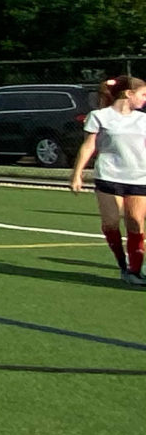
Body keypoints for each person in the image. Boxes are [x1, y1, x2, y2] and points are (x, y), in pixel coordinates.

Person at [72, 74, 146, 284]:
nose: (144, 100)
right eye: (143, 95)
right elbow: (89, 146)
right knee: (111, 222)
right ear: (128, 94)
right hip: (109, 176)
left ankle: (134, 271)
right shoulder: (99, 116)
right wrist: (77, 174)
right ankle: (122, 263)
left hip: (140, 177)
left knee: (135, 223)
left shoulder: (143, 119)